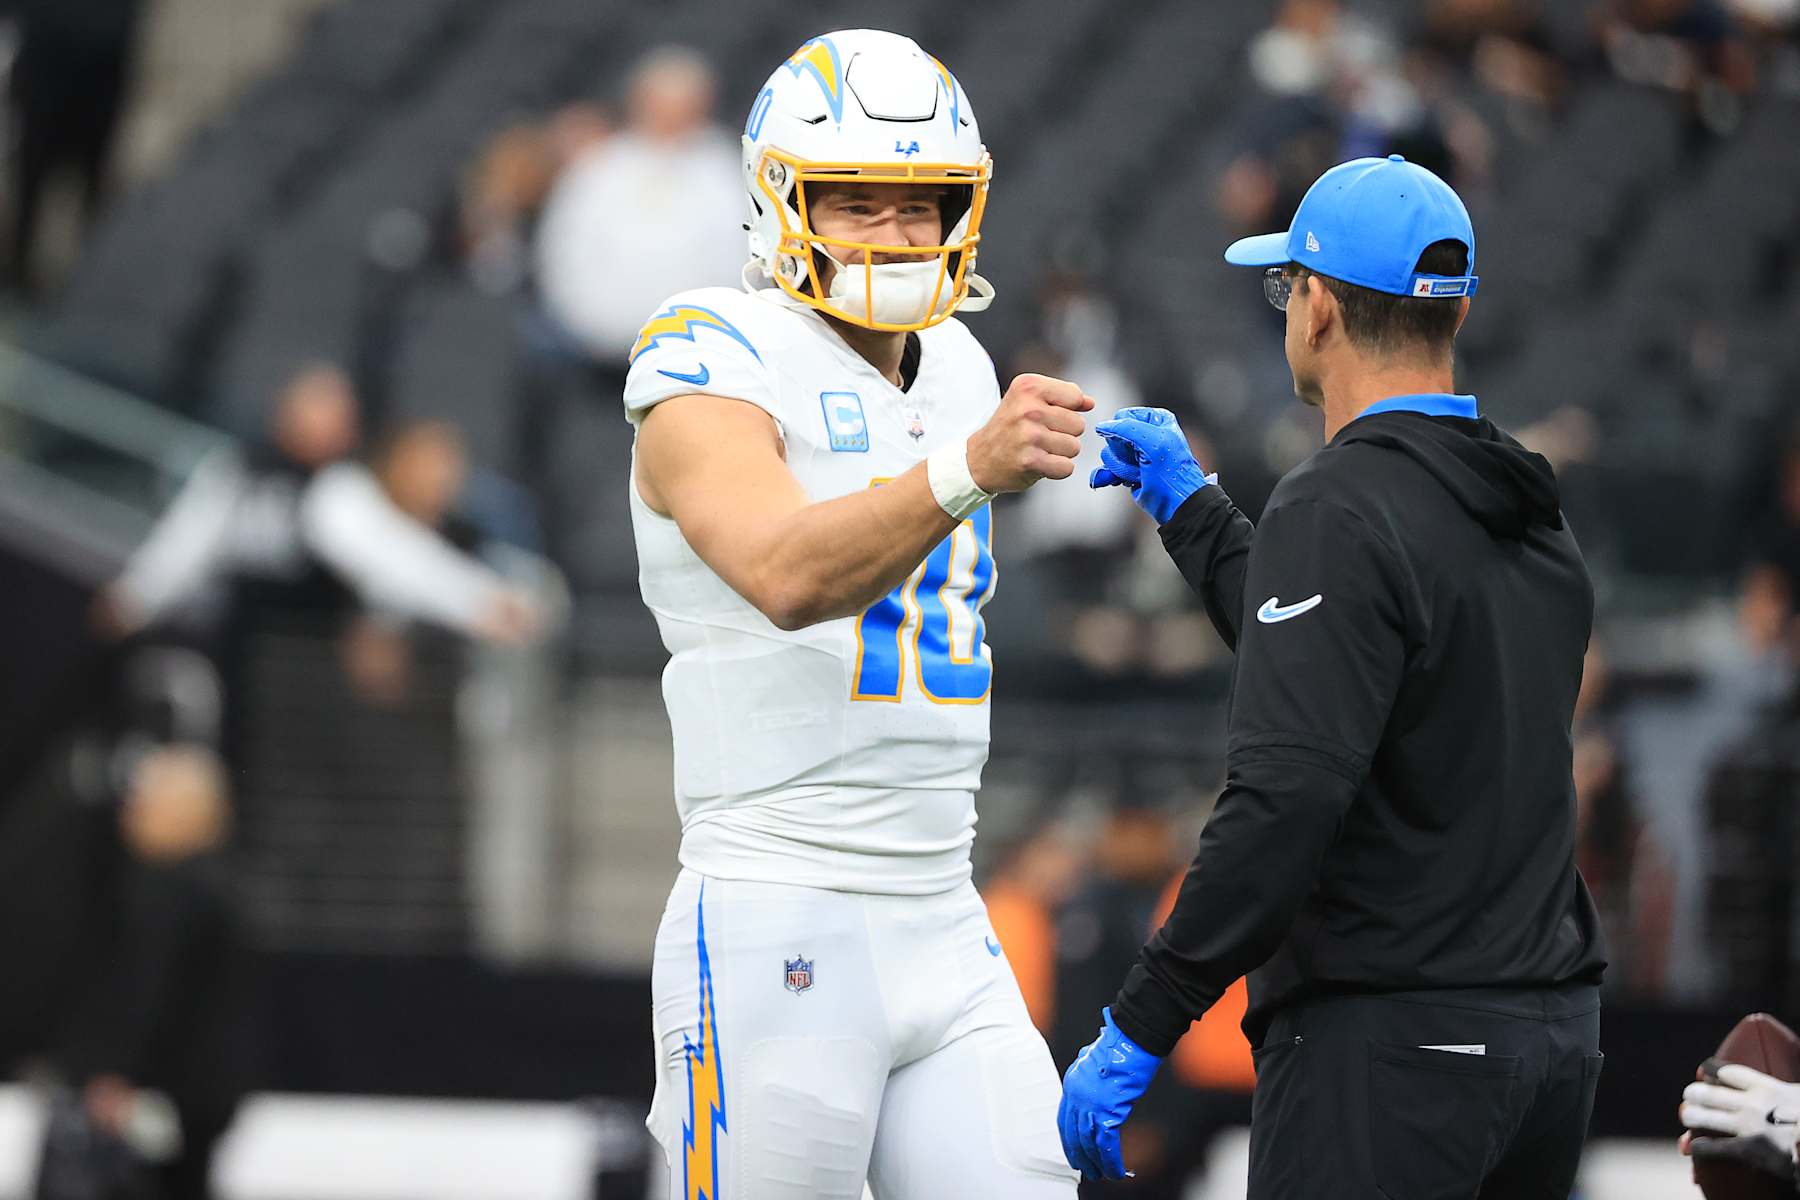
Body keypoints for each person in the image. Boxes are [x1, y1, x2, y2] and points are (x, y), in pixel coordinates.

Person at [1054, 155, 1607, 1198]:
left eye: (1286, 287)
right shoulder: (1530, 513)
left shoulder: (1335, 505)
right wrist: (1194, 511)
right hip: (1548, 1047)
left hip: (1394, 1051)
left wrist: (1142, 1018)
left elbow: (1288, 796)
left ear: (1316, 308)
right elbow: (1351, 659)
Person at [626, 29, 1090, 1199]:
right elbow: (783, 574)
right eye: (857, 202)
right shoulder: (709, 350)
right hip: (779, 903)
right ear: (785, 201)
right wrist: (966, 470)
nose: (894, 234)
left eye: (919, 205)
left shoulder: (963, 366)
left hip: (945, 906)